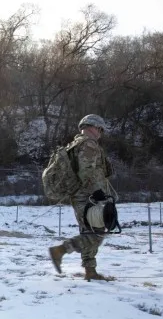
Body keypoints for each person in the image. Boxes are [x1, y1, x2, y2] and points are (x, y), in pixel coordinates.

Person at [48, 114, 115, 281]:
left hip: (79, 195)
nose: (100, 133)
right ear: (92, 127)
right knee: (96, 234)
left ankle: (90, 271)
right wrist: (99, 194)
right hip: (89, 196)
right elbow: (88, 171)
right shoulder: (88, 144)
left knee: (88, 231)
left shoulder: (74, 144)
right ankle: (60, 250)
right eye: (100, 129)